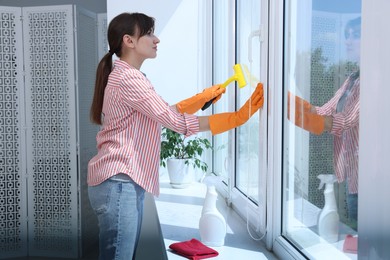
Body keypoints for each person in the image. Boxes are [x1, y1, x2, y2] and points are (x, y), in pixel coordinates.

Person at [88, 12, 264, 260]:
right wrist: (237, 118)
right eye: (148, 33)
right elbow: (175, 122)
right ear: (129, 41)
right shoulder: (129, 79)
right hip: (119, 183)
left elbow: (160, 114)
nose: (156, 39)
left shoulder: (129, 76)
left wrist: (200, 99)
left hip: (121, 182)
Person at [288, 16, 361, 230]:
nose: (347, 41)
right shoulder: (352, 79)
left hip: (369, 177)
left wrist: (313, 123)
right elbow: (323, 110)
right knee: (356, 229)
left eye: (355, 36)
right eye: (346, 35)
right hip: (351, 173)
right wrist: (289, 101)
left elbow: (346, 120)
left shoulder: (373, 79)